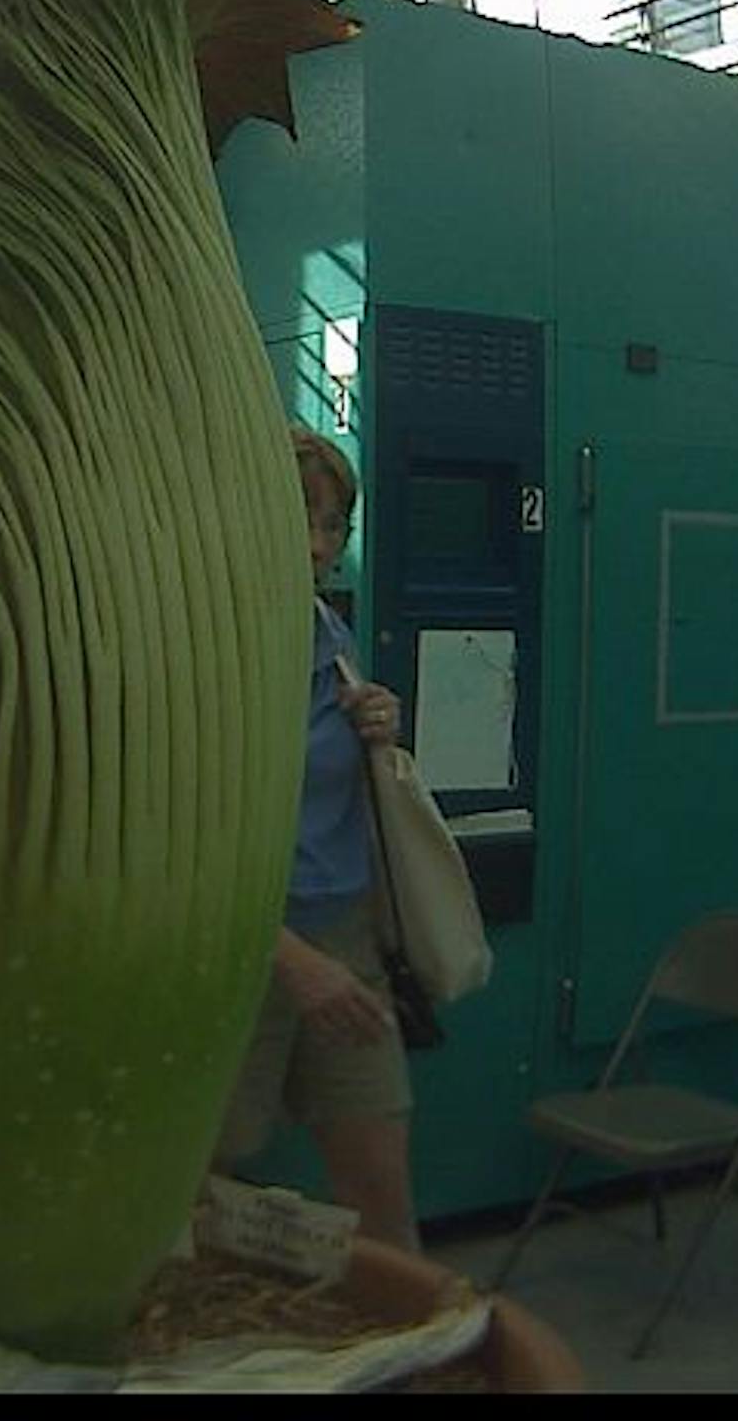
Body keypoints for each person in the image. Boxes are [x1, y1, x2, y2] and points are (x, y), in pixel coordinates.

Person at [216, 427, 418, 1251]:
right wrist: (291, 962)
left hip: (346, 938)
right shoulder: (206, 649)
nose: (320, 541)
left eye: (334, 523)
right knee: (202, 1185)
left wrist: (379, 723)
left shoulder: (328, 636)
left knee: (380, 1180)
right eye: (302, 514)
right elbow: (171, 842)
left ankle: (411, 1361)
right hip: (235, 947)